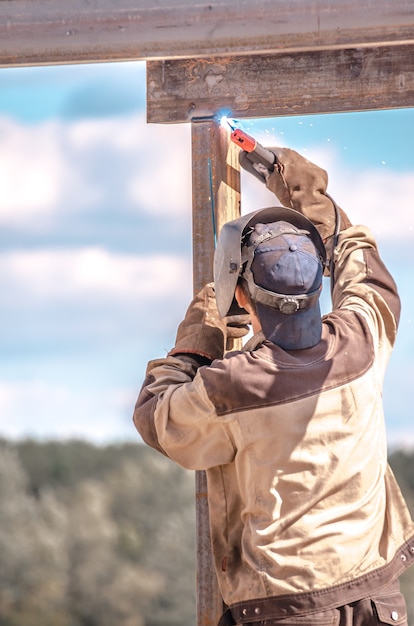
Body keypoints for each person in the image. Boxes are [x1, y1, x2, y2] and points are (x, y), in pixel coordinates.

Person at [133, 146, 414, 625]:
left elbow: (159, 420)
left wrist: (201, 336)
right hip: (377, 594)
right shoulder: (362, 339)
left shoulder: (233, 386)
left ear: (240, 294)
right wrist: (311, 200)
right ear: (315, 286)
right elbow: (361, 266)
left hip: (287, 609)